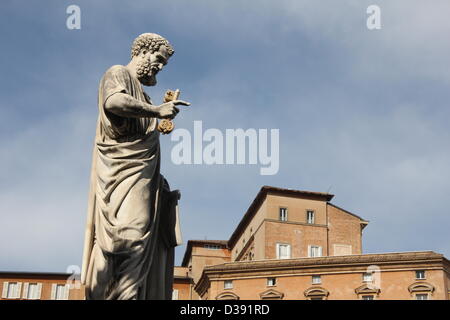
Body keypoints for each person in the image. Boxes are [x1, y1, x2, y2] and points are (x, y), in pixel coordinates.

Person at [81, 33, 189, 300]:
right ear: (143, 51)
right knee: (131, 236)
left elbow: (145, 137)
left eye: (164, 64)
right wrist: (156, 112)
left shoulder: (145, 98)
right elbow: (113, 102)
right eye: (159, 59)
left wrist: (158, 183)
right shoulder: (117, 74)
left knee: (140, 240)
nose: (160, 67)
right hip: (120, 176)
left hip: (142, 177)